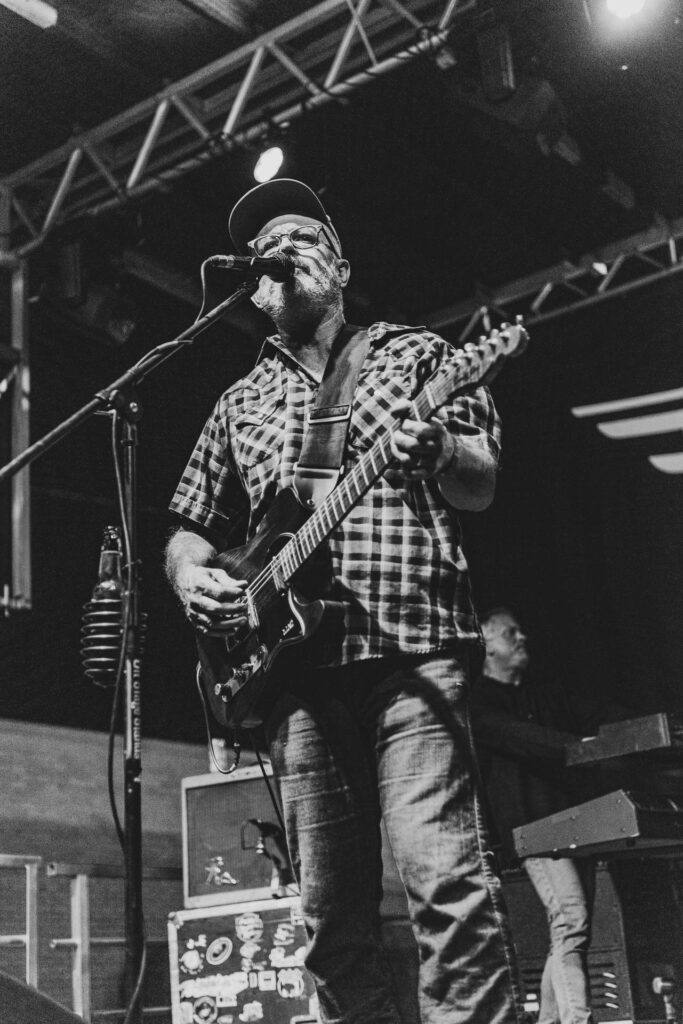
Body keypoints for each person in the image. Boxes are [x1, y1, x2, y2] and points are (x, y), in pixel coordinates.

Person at [165, 178, 522, 1024]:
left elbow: (479, 483)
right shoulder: (237, 401)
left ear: (341, 267)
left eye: (301, 238)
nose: (280, 253)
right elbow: (189, 528)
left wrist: (440, 448)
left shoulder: (416, 354)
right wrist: (188, 576)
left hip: (411, 649)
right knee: (329, 925)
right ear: (254, 288)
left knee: (444, 884)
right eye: (264, 250)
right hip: (294, 676)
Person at [470, 608, 606, 1024]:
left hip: (576, 825)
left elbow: (599, 712)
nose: (522, 637)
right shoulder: (478, 702)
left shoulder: (545, 694)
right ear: (487, 646)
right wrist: (579, 745)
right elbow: (526, 739)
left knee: (570, 931)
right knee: (571, 922)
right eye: (510, 633)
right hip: (535, 831)